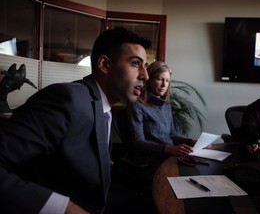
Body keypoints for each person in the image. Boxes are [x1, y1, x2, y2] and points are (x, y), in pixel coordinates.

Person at [0, 27, 151, 214]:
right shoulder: (66, 99)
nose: (145, 75)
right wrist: (63, 208)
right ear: (104, 64)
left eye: (145, 66)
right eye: (136, 63)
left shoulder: (105, 108)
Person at [128, 61, 196, 171]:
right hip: (151, 160)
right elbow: (139, 143)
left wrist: (191, 142)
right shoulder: (137, 105)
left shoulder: (166, 104)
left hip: (170, 156)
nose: (164, 84)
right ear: (149, 80)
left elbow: (172, 135)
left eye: (167, 81)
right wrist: (169, 149)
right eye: (160, 79)